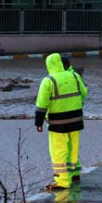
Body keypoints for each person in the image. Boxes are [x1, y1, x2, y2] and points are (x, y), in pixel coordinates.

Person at [35, 53, 87, 191]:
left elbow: (42, 104)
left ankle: (62, 181)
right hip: (76, 119)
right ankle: (75, 174)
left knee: (59, 151)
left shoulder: (48, 80)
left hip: (58, 123)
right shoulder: (75, 76)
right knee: (72, 148)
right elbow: (84, 92)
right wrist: (75, 104)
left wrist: (38, 122)